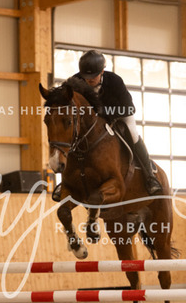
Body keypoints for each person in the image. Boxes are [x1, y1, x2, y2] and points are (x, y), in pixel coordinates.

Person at [57, 49, 163, 198]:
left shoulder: (115, 81)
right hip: (90, 122)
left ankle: (149, 176)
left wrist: (104, 113)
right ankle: (65, 182)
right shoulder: (75, 81)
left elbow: (129, 108)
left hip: (119, 116)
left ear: (102, 71)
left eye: (94, 76)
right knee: (72, 138)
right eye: (86, 76)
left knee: (133, 134)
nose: (89, 80)